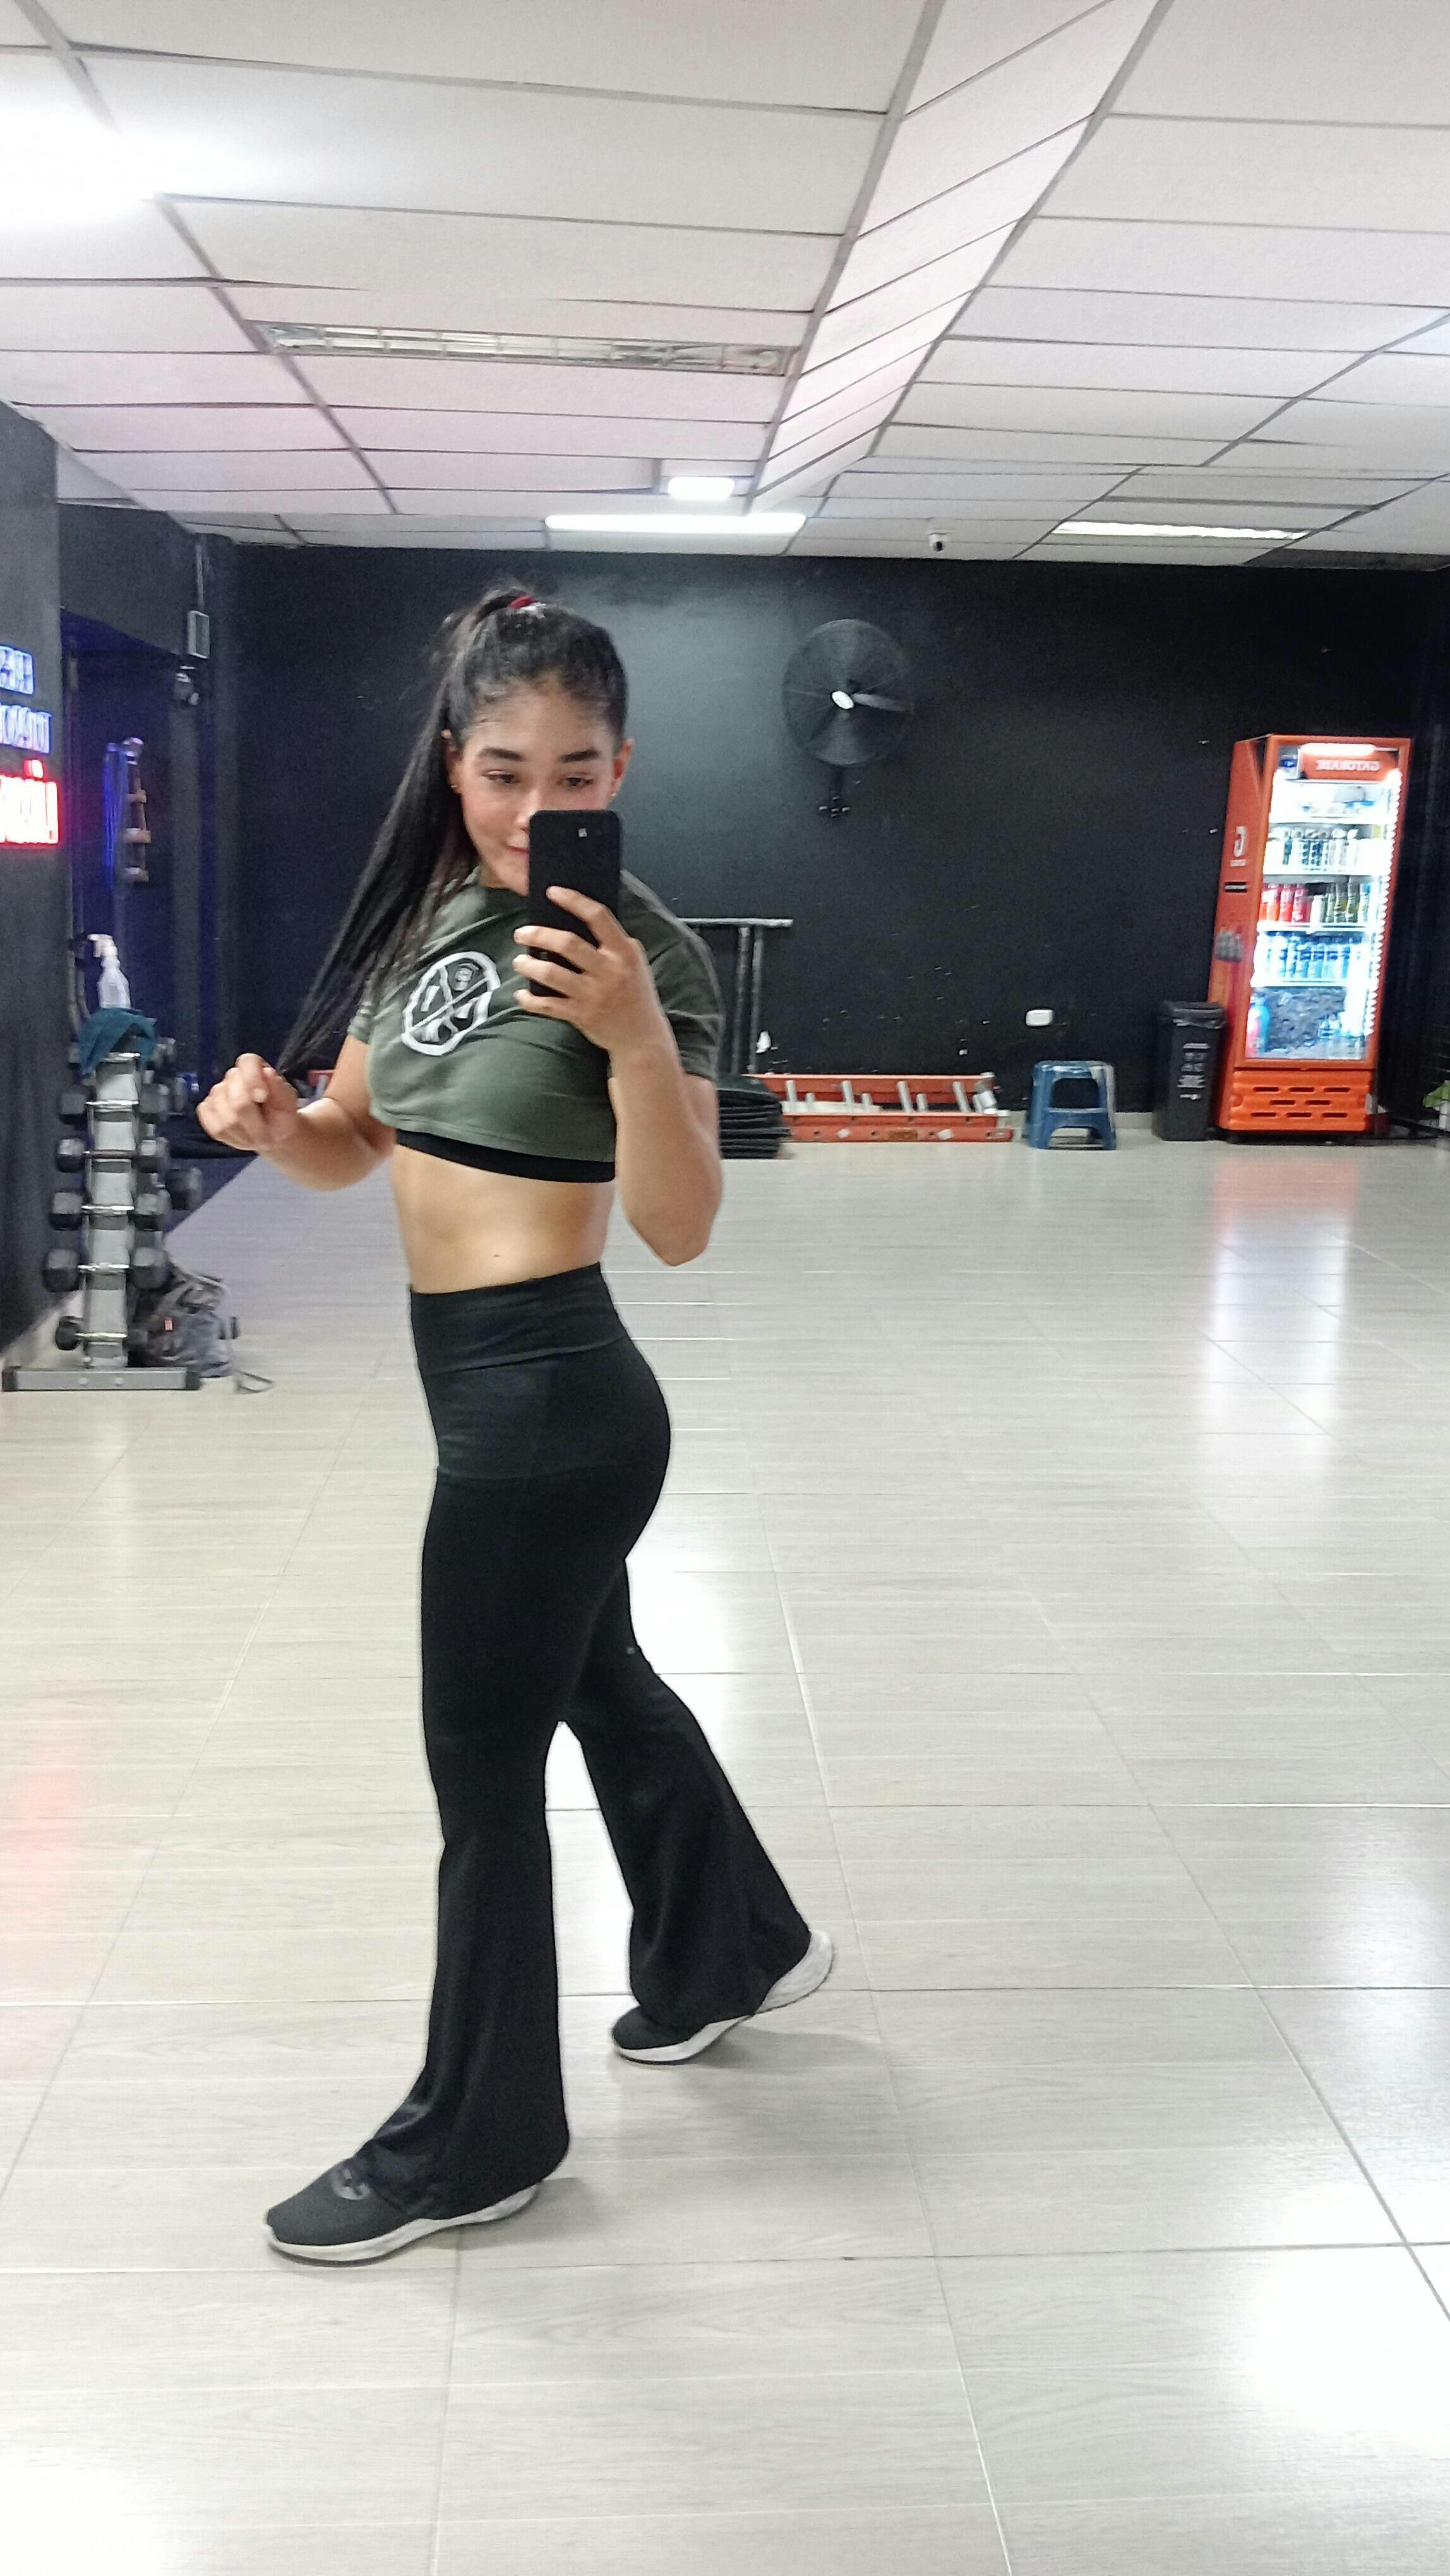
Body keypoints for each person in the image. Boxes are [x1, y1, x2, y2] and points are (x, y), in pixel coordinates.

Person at [198, 587, 830, 2265]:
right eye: (502, 771)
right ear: (453, 763)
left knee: (482, 1772)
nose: (533, 805)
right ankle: (730, 1946)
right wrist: (273, 1126)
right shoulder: (423, 922)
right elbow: (353, 1145)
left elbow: (681, 1226)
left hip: (552, 1401)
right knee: (596, 1684)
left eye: (574, 774)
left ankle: (477, 2142)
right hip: (481, 1386)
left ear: (621, 770)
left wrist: (630, 1040)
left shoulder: (649, 955)